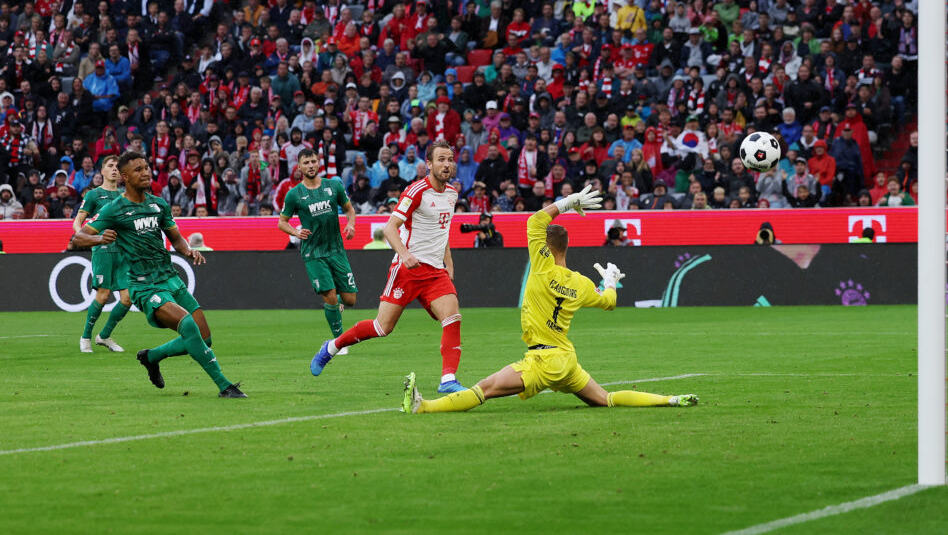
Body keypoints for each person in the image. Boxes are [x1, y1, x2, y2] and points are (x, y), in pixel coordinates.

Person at [402, 185, 698, 413]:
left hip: (542, 360)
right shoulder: (580, 283)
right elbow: (609, 302)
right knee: (604, 399)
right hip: (567, 361)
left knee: (486, 388)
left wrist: (568, 202)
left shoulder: (542, 266)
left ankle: (423, 406)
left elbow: (535, 221)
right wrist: (610, 282)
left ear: (545, 246)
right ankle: (669, 399)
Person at [72, 152, 245, 398]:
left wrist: (188, 250)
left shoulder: (158, 204)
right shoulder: (115, 208)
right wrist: (99, 238)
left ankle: (151, 357)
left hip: (170, 278)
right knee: (188, 326)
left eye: (146, 167)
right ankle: (225, 386)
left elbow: (176, 238)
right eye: (138, 169)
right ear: (125, 177)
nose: (145, 172)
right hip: (144, 286)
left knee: (204, 339)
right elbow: (78, 236)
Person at [309, 140, 466, 393]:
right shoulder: (416, 191)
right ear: (428, 164)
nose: (446, 164)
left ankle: (448, 380)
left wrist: (449, 262)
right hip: (408, 270)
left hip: (435, 272)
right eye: (441, 160)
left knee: (452, 317)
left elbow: (442, 231)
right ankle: (331, 347)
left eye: (450, 159)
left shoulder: (451, 194)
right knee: (382, 327)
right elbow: (389, 228)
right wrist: (404, 255)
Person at [279, 148, 358, 343]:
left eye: (313, 161)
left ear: (318, 163)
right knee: (329, 295)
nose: (310, 165)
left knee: (350, 300)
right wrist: (296, 232)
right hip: (313, 253)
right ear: (299, 167)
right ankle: (339, 341)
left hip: (336, 250)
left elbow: (350, 209)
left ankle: (336, 305)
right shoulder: (294, 194)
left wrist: (351, 223)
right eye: (306, 163)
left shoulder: (334, 186)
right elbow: (282, 222)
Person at [71, 155, 132, 353]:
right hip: (103, 251)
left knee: (127, 298)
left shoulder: (125, 196)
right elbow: (77, 224)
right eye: (110, 166)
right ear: (103, 171)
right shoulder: (93, 195)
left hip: (122, 253)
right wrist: (94, 240)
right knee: (103, 295)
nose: (114, 169)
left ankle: (104, 336)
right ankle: (86, 336)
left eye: (117, 166)